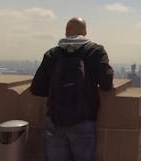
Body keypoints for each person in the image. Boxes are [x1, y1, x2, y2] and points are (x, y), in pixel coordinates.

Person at [30, 17, 114, 161]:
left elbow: (36, 88)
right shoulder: (96, 51)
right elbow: (106, 85)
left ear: (66, 32)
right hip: (84, 120)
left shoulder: (52, 54)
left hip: (55, 119)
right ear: (85, 33)